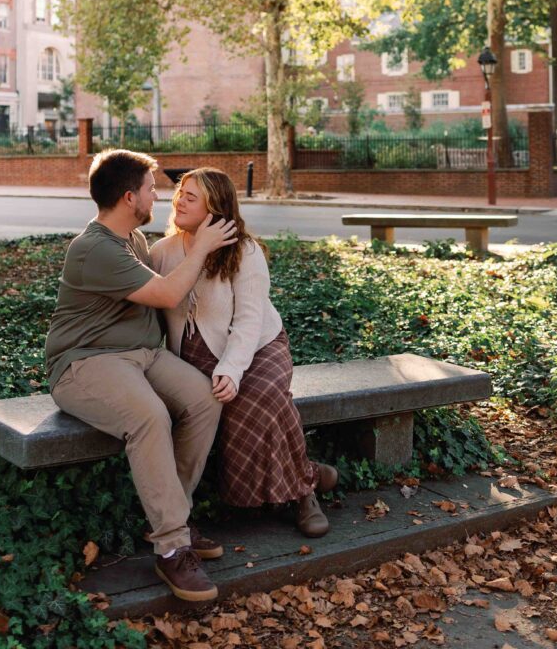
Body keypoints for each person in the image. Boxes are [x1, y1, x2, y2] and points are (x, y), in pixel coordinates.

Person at [45, 149, 238, 603]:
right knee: (149, 417)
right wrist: (206, 244)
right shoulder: (94, 248)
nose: (159, 195)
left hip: (141, 355)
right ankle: (172, 545)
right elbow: (170, 293)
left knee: (204, 398)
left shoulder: (131, 240)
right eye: (152, 189)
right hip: (85, 363)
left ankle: (173, 515)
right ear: (131, 197)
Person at [151, 167, 338, 537]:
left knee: (263, 395)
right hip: (193, 356)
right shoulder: (161, 252)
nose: (179, 200)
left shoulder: (244, 250)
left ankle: (303, 494)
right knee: (228, 404)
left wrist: (232, 369)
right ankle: (310, 473)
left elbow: (250, 319)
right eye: (180, 193)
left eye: (191, 196)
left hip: (259, 346)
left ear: (214, 208)